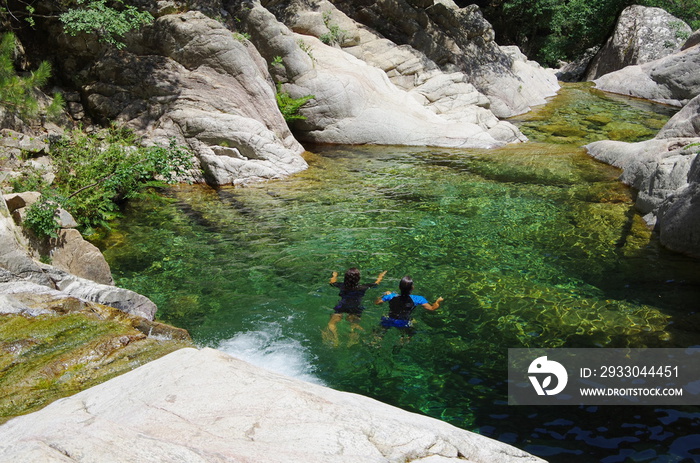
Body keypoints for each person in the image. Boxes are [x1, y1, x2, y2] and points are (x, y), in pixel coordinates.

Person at [326, 267, 387, 345]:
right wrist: (381, 276)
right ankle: (351, 341)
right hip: (355, 307)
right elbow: (376, 283)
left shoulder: (342, 286)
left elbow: (332, 282)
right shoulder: (363, 287)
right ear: (358, 279)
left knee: (331, 323)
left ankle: (335, 339)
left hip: (342, 306)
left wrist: (334, 275)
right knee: (354, 325)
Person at [375, 275, 443, 333]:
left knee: (379, 333)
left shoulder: (391, 296)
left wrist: (384, 296)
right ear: (412, 288)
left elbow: (377, 302)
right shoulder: (418, 299)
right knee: (410, 333)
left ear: (399, 287)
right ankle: (401, 342)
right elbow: (432, 308)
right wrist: (438, 301)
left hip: (389, 320)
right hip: (403, 322)